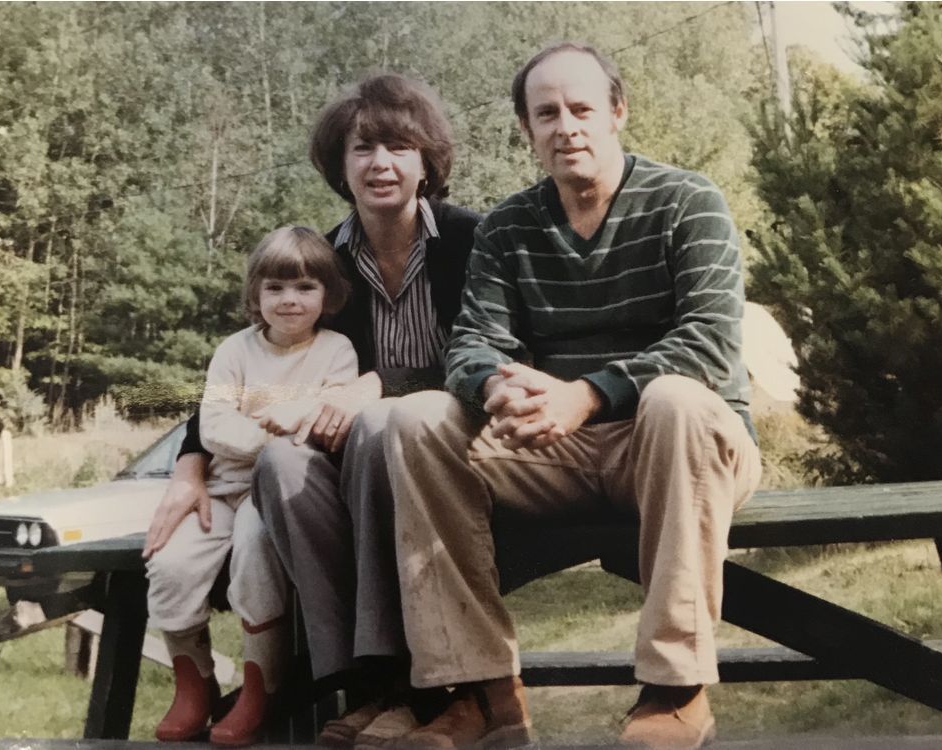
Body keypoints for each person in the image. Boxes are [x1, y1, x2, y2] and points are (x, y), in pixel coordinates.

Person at [383, 43, 762, 750]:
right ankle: (479, 692)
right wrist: (497, 385)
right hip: (554, 449)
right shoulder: (508, 228)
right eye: (546, 113)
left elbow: (710, 342)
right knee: (416, 419)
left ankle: (676, 689)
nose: (567, 127)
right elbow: (469, 344)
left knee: (675, 400)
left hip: (682, 447)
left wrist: (585, 395)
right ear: (528, 130)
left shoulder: (688, 201)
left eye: (582, 108)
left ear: (617, 112)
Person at [144, 74, 481, 748]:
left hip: (451, 440)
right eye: (362, 149)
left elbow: (495, 348)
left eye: (398, 146)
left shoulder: (472, 241)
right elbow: (253, 366)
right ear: (339, 166)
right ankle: (364, 684)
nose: (380, 163)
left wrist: (377, 392)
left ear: (426, 162)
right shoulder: (324, 264)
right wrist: (189, 465)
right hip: (353, 456)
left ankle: (429, 690)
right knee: (285, 467)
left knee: (388, 433)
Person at [145, 226, 356, 747]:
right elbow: (213, 425)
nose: (289, 300)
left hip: (279, 493)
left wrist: (277, 430)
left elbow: (323, 428)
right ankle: (192, 687)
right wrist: (275, 430)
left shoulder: (336, 351)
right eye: (275, 288)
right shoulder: (234, 352)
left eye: (306, 287)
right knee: (172, 562)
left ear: (327, 295)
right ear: (255, 294)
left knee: (255, 557)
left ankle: (258, 687)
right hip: (221, 486)